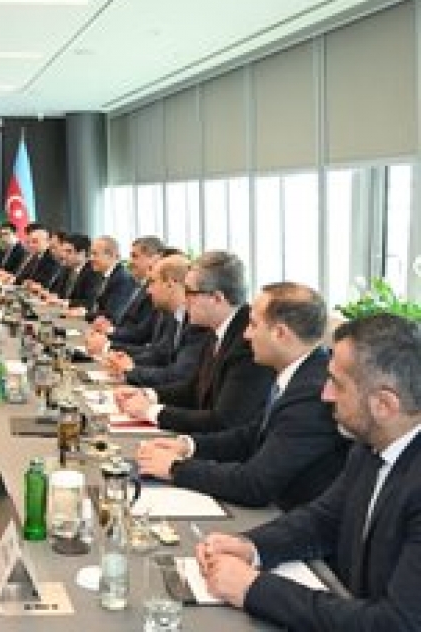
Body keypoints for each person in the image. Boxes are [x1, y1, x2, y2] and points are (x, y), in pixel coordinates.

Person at [197, 314, 421, 631]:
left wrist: (253, 588)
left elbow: (394, 623)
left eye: (337, 384)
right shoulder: (369, 446)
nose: (325, 395)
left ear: (384, 404)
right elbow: (323, 520)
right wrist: (251, 546)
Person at [136, 282, 349, 510]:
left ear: (280, 333)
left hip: (285, 513)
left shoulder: (312, 393)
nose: (246, 335)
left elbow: (254, 484)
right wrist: (187, 446)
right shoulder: (299, 373)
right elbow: (250, 436)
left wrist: (175, 468)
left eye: (253, 325)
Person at [116, 250, 275, 433]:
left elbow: (222, 421)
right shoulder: (217, 328)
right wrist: (147, 395)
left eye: (189, 292)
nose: (184, 300)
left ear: (217, 298)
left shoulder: (247, 343)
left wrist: (151, 411)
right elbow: (193, 389)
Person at [102, 254, 213, 388]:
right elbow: (159, 354)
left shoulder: (197, 321)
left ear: (170, 284)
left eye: (153, 282)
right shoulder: (174, 314)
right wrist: (124, 361)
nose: (148, 290)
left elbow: (178, 374)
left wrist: (131, 370)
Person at [88, 235, 163, 348]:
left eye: (135, 256)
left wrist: (108, 336)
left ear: (154, 259)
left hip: (130, 350)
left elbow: (141, 335)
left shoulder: (155, 292)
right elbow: (125, 322)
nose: (130, 262)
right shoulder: (141, 285)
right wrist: (107, 328)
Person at [66, 235, 135, 322]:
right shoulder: (102, 275)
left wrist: (85, 314)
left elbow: (111, 314)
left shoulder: (123, 279)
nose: (91, 258)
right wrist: (84, 310)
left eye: (95, 254)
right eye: (91, 254)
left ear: (110, 255)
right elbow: (94, 304)